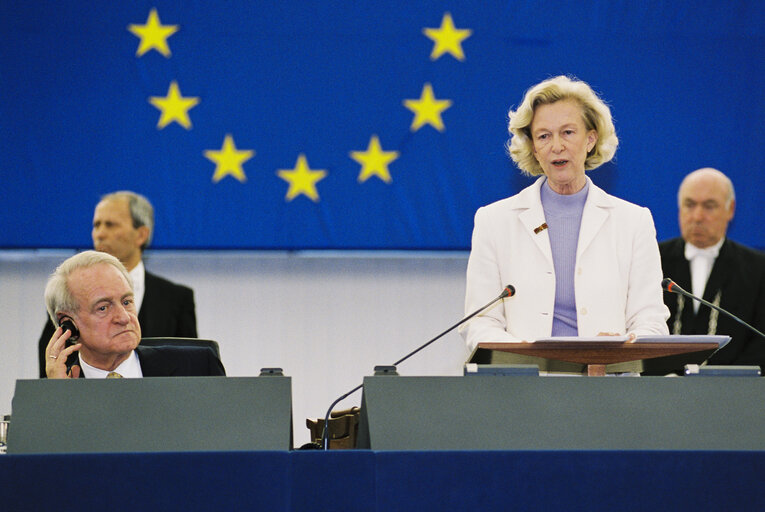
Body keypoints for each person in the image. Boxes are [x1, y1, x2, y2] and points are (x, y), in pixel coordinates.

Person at [459, 75, 669, 373]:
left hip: (608, 387)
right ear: (533, 148)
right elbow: (480, 322)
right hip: (523, 389)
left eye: (568, 132)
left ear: (591, 139)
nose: (556, 146)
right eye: (543, 136)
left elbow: (651, 321)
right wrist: (526, 358)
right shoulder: (494, 221)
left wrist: (618, 348)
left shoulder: (633, 222)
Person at [37, 191, 198, 376]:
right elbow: (50, 369)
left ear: (141, 235)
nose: (100, 234)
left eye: (110, 225)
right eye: (97, 225)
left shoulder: (176, 298)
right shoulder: (69, 295)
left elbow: (190, 373)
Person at [648, 168, 765, 373]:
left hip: (732, 394)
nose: (697, 216)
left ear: (730, 209)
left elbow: (760, 343)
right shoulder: (651, 260)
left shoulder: (758, 268)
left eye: (709, 206)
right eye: (689, 205)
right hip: (659, 389)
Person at [44, 251, 224, 378]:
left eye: (126, 302)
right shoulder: (51, 395)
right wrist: (61, 397)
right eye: (103, 308)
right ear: (68, 324)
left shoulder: (197, 368)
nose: (124, 318)